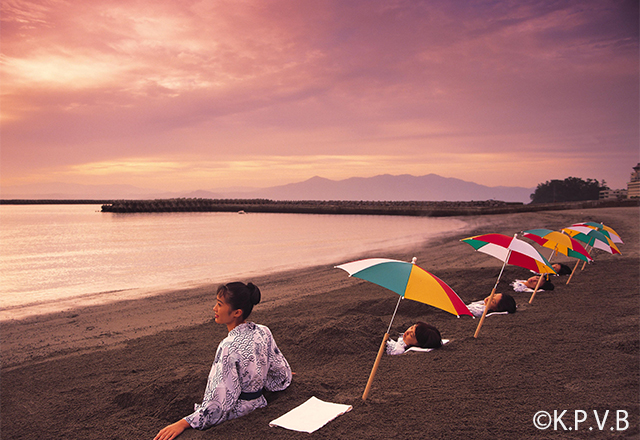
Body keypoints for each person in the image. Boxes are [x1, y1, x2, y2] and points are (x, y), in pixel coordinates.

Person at [153, 282, 292, 440]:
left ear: (236, 312)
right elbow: (281, 372)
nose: (214, 308)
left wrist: (184, 422)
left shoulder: (228, 346)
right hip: (260, 402)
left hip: (241, 411)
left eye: (219, 304)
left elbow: (219, 402)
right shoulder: (263, 330)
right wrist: (274, 374)